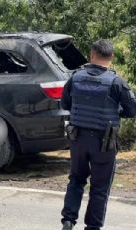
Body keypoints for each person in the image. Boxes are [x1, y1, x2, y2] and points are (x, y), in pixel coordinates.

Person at [60, 40, 136, 230]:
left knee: (76, 179)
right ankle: (92, 227)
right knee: (100, 186)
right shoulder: (116, 82)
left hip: (77, 139)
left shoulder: (75, 78)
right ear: (111, 57)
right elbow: (132, 110)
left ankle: (68, 220)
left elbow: (65, 104)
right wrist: (114, 110)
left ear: (91, 54)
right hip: (104, 141)